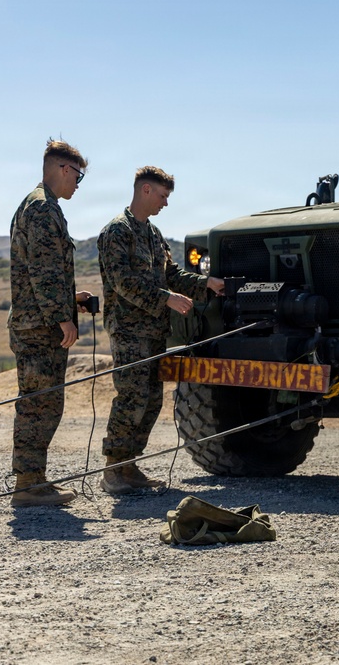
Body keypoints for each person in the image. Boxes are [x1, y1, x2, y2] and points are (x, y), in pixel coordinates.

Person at [97, 166, 224, 494]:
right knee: (131, 397)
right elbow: (122, 282)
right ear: (145, 190)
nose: (165, 203)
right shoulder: (117, 232)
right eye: (163, 196)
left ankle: (129, 465)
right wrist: (165, 298)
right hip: (128, 331)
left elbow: (172, 275)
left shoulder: (153, 235)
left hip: (154, 331)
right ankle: (113, 469)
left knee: (151, 400)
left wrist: (205, 284)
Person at [8, 139, 93, 507]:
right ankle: (27, 485)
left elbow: (39, 273)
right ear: (63, 169)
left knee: (43, 403)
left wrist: (70, 300)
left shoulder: (41, 206)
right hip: (39, 327)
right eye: (78, 174)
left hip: (36, 320)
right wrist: (62, 317)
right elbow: (43, 271)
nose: (78, 182)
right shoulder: (42, 208)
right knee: (38, 404)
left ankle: (34, 480)